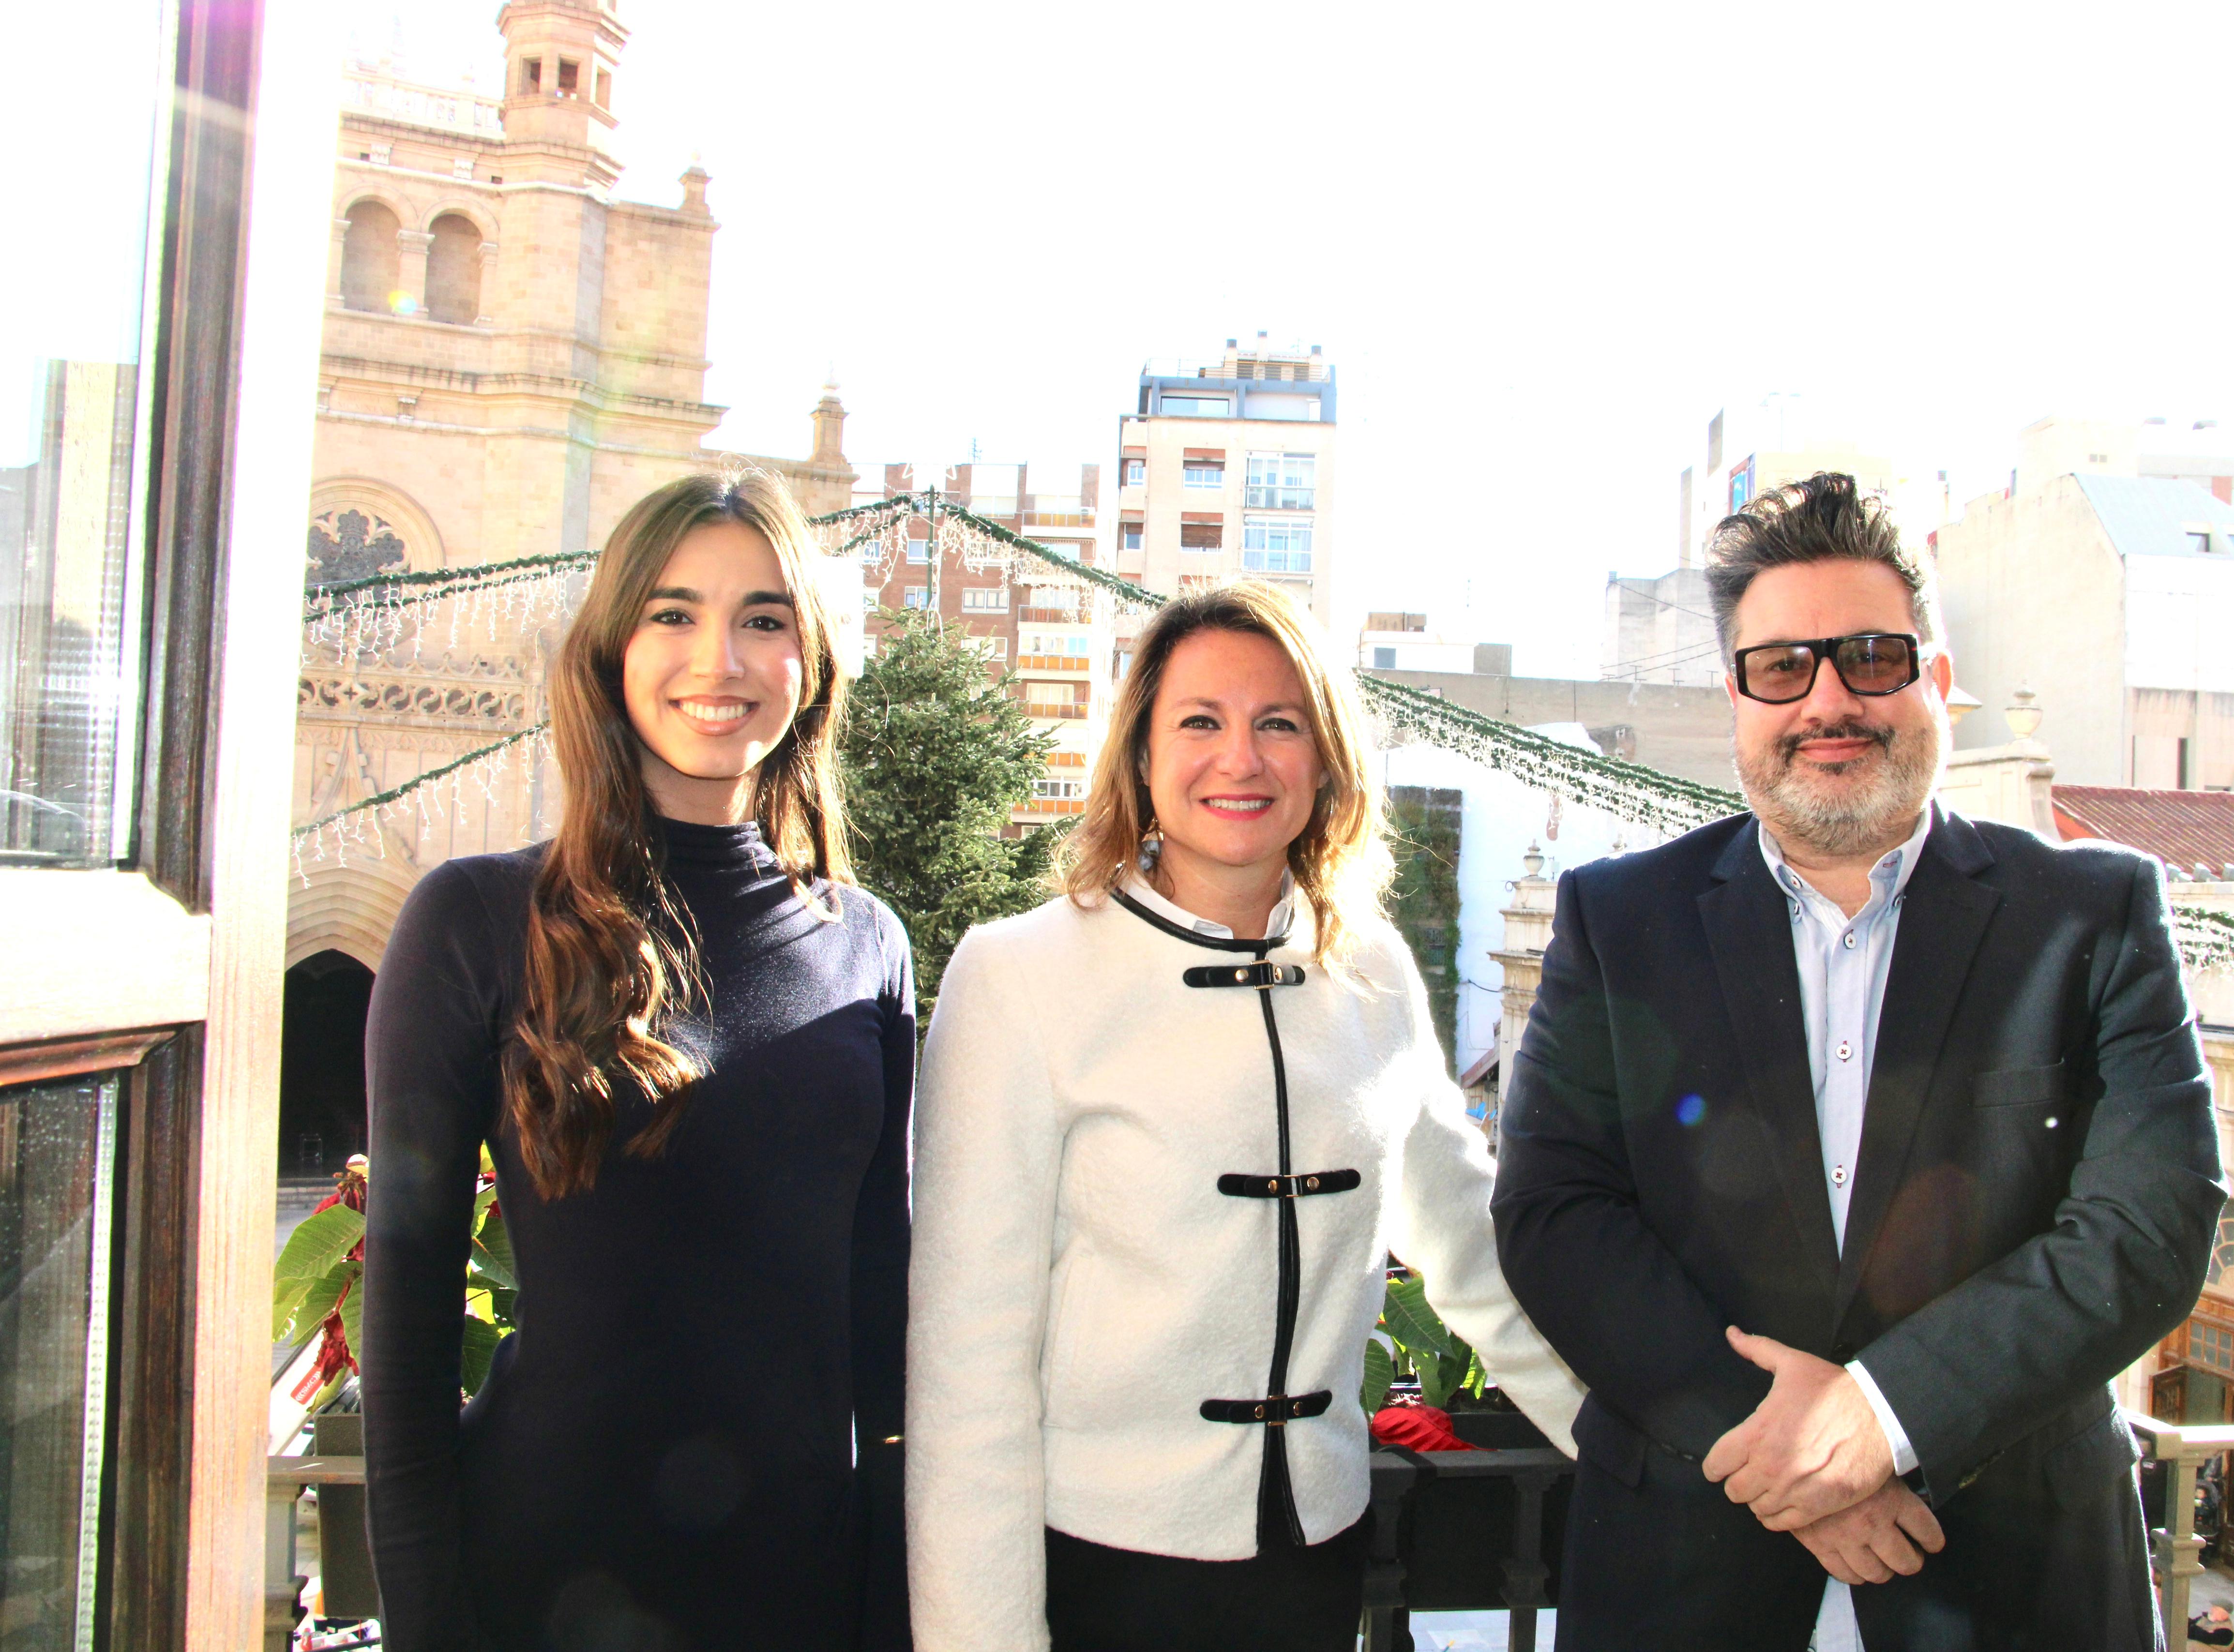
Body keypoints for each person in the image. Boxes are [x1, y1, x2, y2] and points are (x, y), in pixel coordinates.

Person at [1491, 473, 2225, 1651]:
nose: (1827, 700)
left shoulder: (2092, 916)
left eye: (1871, 657)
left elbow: (2151, 1223)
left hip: (2011, 1583)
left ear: (1937, 682)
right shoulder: (1617, 920)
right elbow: (1553, 1214)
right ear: (1736, 699)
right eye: (1781, 667)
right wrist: (1780, 1447)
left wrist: (1883, 1422)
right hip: (1684, 1572)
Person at [906, 581, 1585, 1652]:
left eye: (1280, 724)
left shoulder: (1371, 969)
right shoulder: (1019, 976)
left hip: (1316, 1564)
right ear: (1140, 757)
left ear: (1325, 762)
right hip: (1094, 1572)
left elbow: (1476, 1254)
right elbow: (966, 1360)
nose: (1242, 758)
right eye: (1200, 722)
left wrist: (1642, 1449)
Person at [361, 469, 912, 1651]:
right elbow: (404, 1352)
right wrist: (428, 1624)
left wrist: (894, 1597)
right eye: (673, 613)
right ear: (612, 649)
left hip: (803, 1590)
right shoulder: (474, 920)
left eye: (763, 619)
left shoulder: (868, 944)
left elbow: (881, 1304)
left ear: (809, 662)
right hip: (545, 1581)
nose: (719, 658)